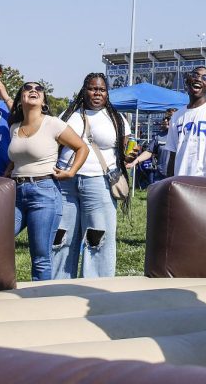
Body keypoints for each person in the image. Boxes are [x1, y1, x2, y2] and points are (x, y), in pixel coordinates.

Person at [6, 81, 88, 281]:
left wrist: (71, 172)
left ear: (43, 101)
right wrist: (4, 178)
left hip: (44, 192)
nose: (33, 90)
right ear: (20, 100)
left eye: (38, 89)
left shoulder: (53, 123)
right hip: (16, 193)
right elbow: (15, 160)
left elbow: (82, 147)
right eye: (27, 88)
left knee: (40, 256)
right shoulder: (14, 128)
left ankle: (41, 301)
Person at [52, 72, 131, 279]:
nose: (97, 93)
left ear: (107, 93)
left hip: (99, 182)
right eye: (92, 88)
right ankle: (57, 284)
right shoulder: (68, 116)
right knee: (61, 236)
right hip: (65, 185)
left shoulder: (116, 118)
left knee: (97, 236)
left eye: (102, 89)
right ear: (84, 90)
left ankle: (96, 286)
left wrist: (131, 154)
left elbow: (125, 151)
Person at [127, 108, 174, 186]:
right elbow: (149, 151)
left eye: (170, 118)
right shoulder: (159, 136)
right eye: (166, 118)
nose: (166, 120)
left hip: (178, 176)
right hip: (161, 176)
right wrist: (134, 162)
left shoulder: (183, 135)